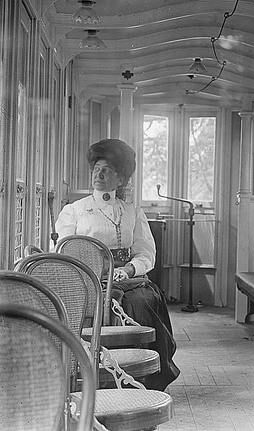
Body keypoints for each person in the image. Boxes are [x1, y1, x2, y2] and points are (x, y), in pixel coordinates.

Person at [56, 138, 180, 391]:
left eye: (107, 170)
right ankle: (98, 379)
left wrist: (129, 270)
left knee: (143, 303)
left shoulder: (133, 212)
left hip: (129, 280)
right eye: (96, 169)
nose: (99, 175)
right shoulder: (74, 211)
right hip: (86, 281)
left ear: (121, 179)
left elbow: (146, 253)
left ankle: (143, 378)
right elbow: (65, 253)